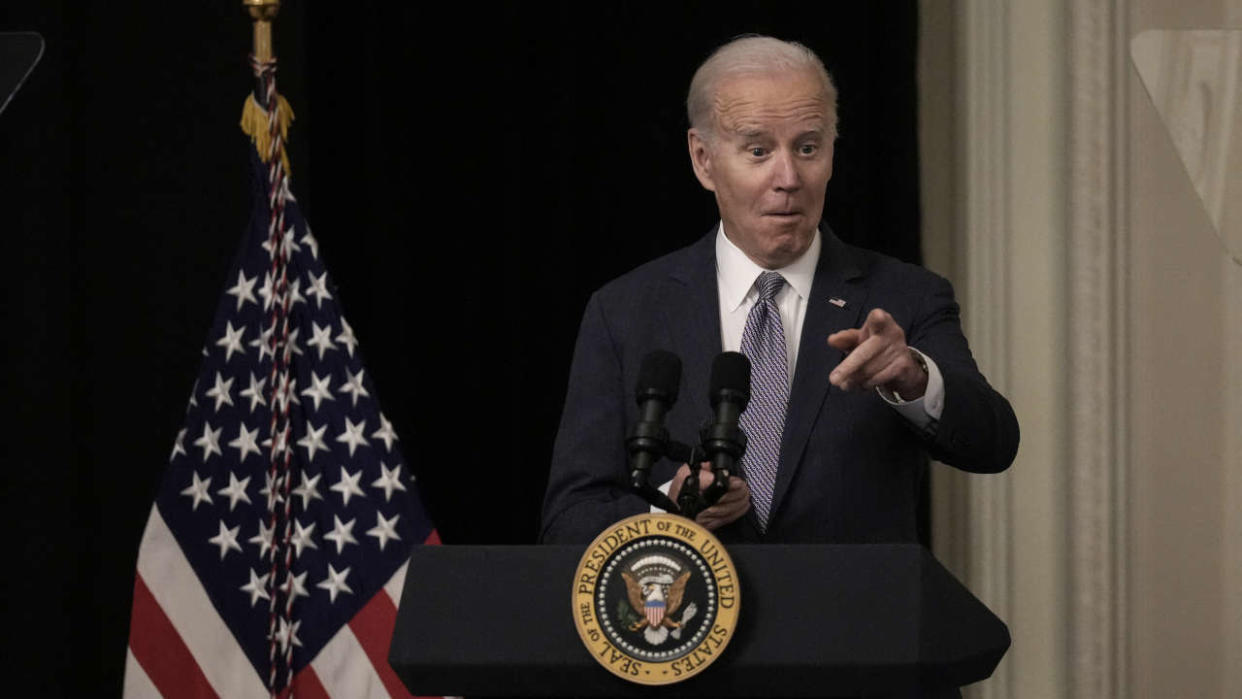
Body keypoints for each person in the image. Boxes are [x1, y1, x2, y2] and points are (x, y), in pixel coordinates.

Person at [540, 35, 1018, 545]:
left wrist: (917, 379)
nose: (788, 177)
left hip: (851, 619)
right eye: (758, 150)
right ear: (703, 160)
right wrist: (668, 515)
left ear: (832, 155)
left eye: (807, 147)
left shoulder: (905, 296)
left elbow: (993, 443)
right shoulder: (625, 311)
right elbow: (569, 520)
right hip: (688, 616)